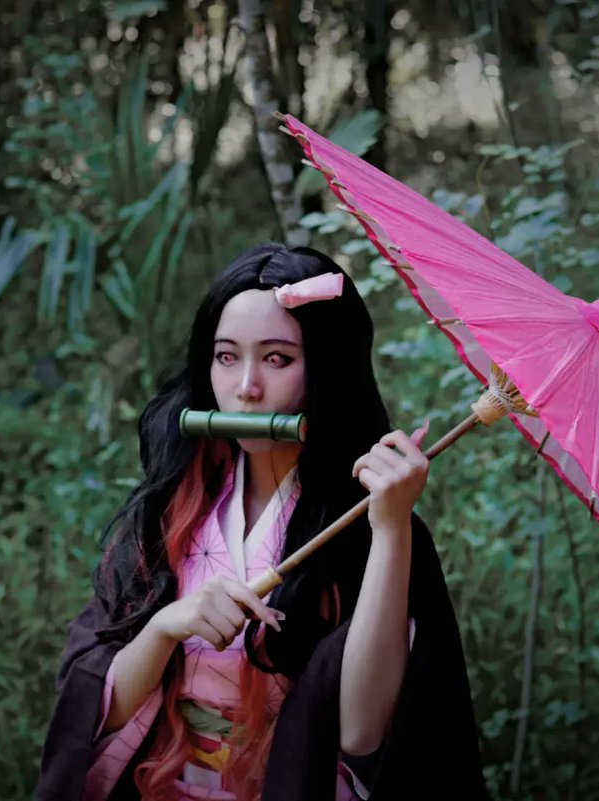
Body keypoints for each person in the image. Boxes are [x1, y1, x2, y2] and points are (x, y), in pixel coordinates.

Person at [38, 243, 491, 800]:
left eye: (277, 359)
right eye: (227, 357)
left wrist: (392, 528)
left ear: (326, 368)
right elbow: (95, 709)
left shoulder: (371, 524)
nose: (246, 387)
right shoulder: (172, 507)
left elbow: (362, 730)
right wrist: (162, 629)